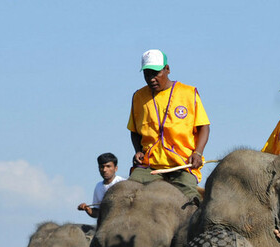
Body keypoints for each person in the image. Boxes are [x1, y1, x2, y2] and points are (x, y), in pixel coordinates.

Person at [127, 49, 210, 200]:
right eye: (147, 74)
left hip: (182, 165)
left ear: (167, 69)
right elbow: (134, 130)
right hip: (150, 166)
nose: (151, 78)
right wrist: (138, 151)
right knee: (126, 194)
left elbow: (204, 127)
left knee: (190, 200)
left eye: (156, 73)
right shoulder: (138, 97)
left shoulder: (189, 93)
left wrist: (198, 153)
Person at [77, 153, 126, 218]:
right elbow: (98, 213)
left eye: (108, 166)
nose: (104, 170)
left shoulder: (123, 183)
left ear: (115, 168)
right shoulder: (98, 186)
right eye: (102, 167)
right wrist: (87, 209)